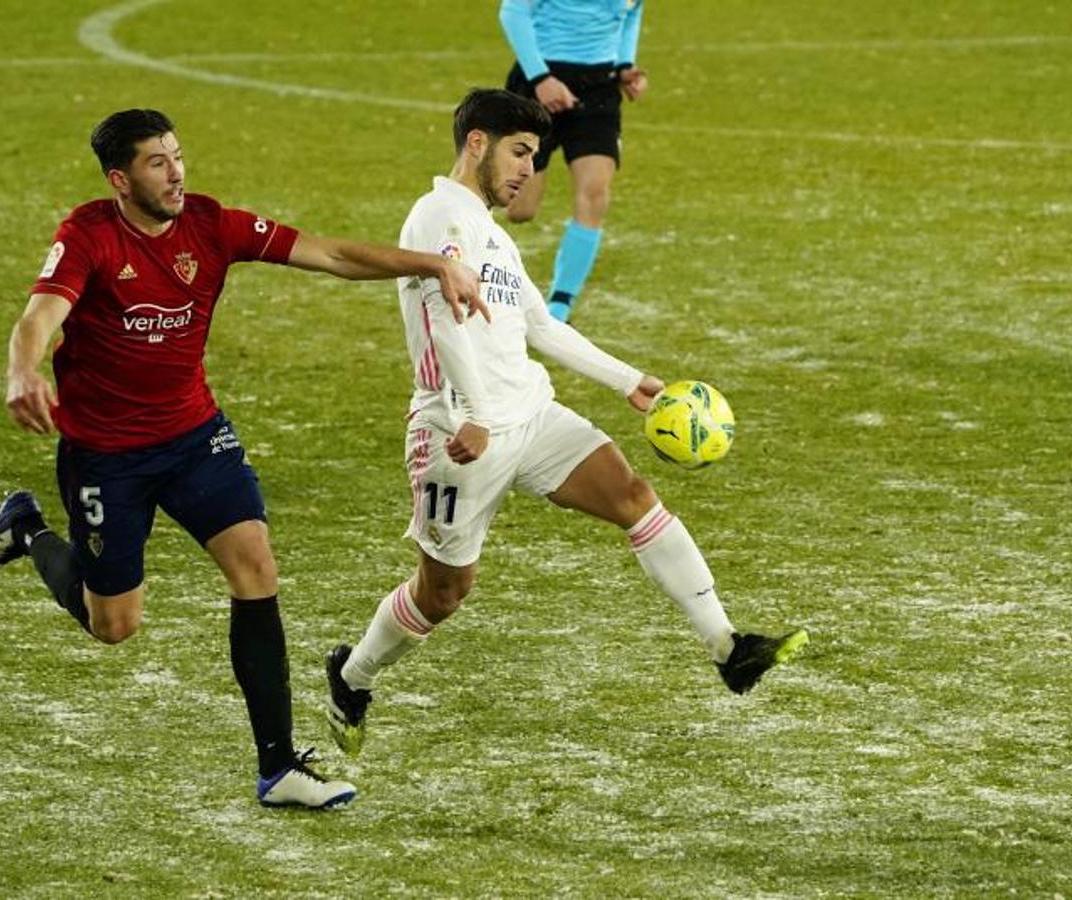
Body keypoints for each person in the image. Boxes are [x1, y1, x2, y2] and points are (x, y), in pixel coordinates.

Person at [0, 108, 488, 810]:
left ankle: (278, 768)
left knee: (255, 567)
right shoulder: (88, 235)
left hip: (194, 438)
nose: (176, 173)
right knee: (113, 625)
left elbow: (331, 255)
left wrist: (434, 264)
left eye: (178, 156)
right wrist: (21, 371)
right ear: (120, 179)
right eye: (157, 162)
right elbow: (39, 317)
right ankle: (27, 529)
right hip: (107, 456)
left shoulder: (212, 226)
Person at [323, 89, 807, 758]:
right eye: (520, 152)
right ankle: (352, 676)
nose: (528, 170)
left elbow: (540, 326)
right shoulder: (440, 215)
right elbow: (443, 319)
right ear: (476, 144)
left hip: (529, 413)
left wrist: (628, 379)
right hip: (458, 436)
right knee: (443, 594)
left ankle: (727, 647)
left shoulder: (494, 235)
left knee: (633, 496)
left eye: (534, 156)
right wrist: (477, 414)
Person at [498, 0, 649, 323]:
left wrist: (625, 64)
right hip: (538, 81)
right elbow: (513, 12)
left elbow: (632, 10)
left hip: (599, 90)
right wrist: (541, 78)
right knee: (519, 209)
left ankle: (558, 309)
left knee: (595, 191)